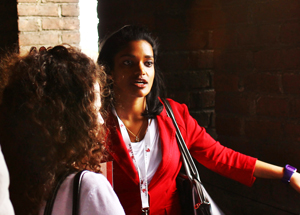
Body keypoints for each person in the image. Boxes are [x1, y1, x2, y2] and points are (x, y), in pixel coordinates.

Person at [97, 25, 300, 215]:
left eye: (148, 63)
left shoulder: (174, 115)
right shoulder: (96, 124)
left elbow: (220, 156)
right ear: (110, 72)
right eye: (128, 62)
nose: (141, 70)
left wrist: (287, 174)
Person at [0, 45, 125, 215]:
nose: (101, 120)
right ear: (69, 121)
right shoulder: (88, 189)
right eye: (93, 111)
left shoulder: (13, 185)